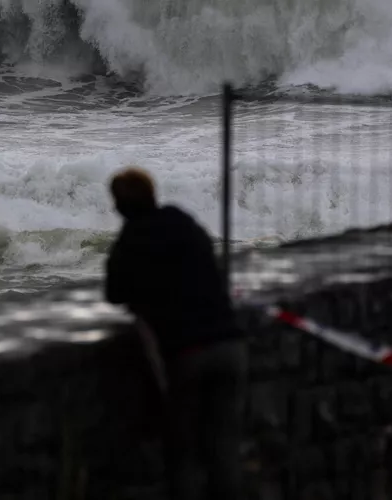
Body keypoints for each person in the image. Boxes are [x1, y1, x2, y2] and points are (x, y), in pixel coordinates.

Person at [103, 167, 247, 500]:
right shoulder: (182, 221)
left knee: (182, 452)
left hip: (188, 353)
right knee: (223, 448)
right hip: (230, 344)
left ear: (121, 206)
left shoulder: (131, 240)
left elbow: (114, 293)